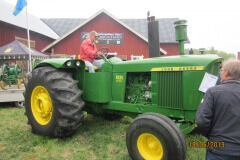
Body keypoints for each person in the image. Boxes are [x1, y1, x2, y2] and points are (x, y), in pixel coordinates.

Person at [196, 59, 240, 160]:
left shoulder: (213, 92)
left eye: (221, 70)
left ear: (226, 72)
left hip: (218, 149)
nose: (220, 73)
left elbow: (202, 121)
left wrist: (212, 137)